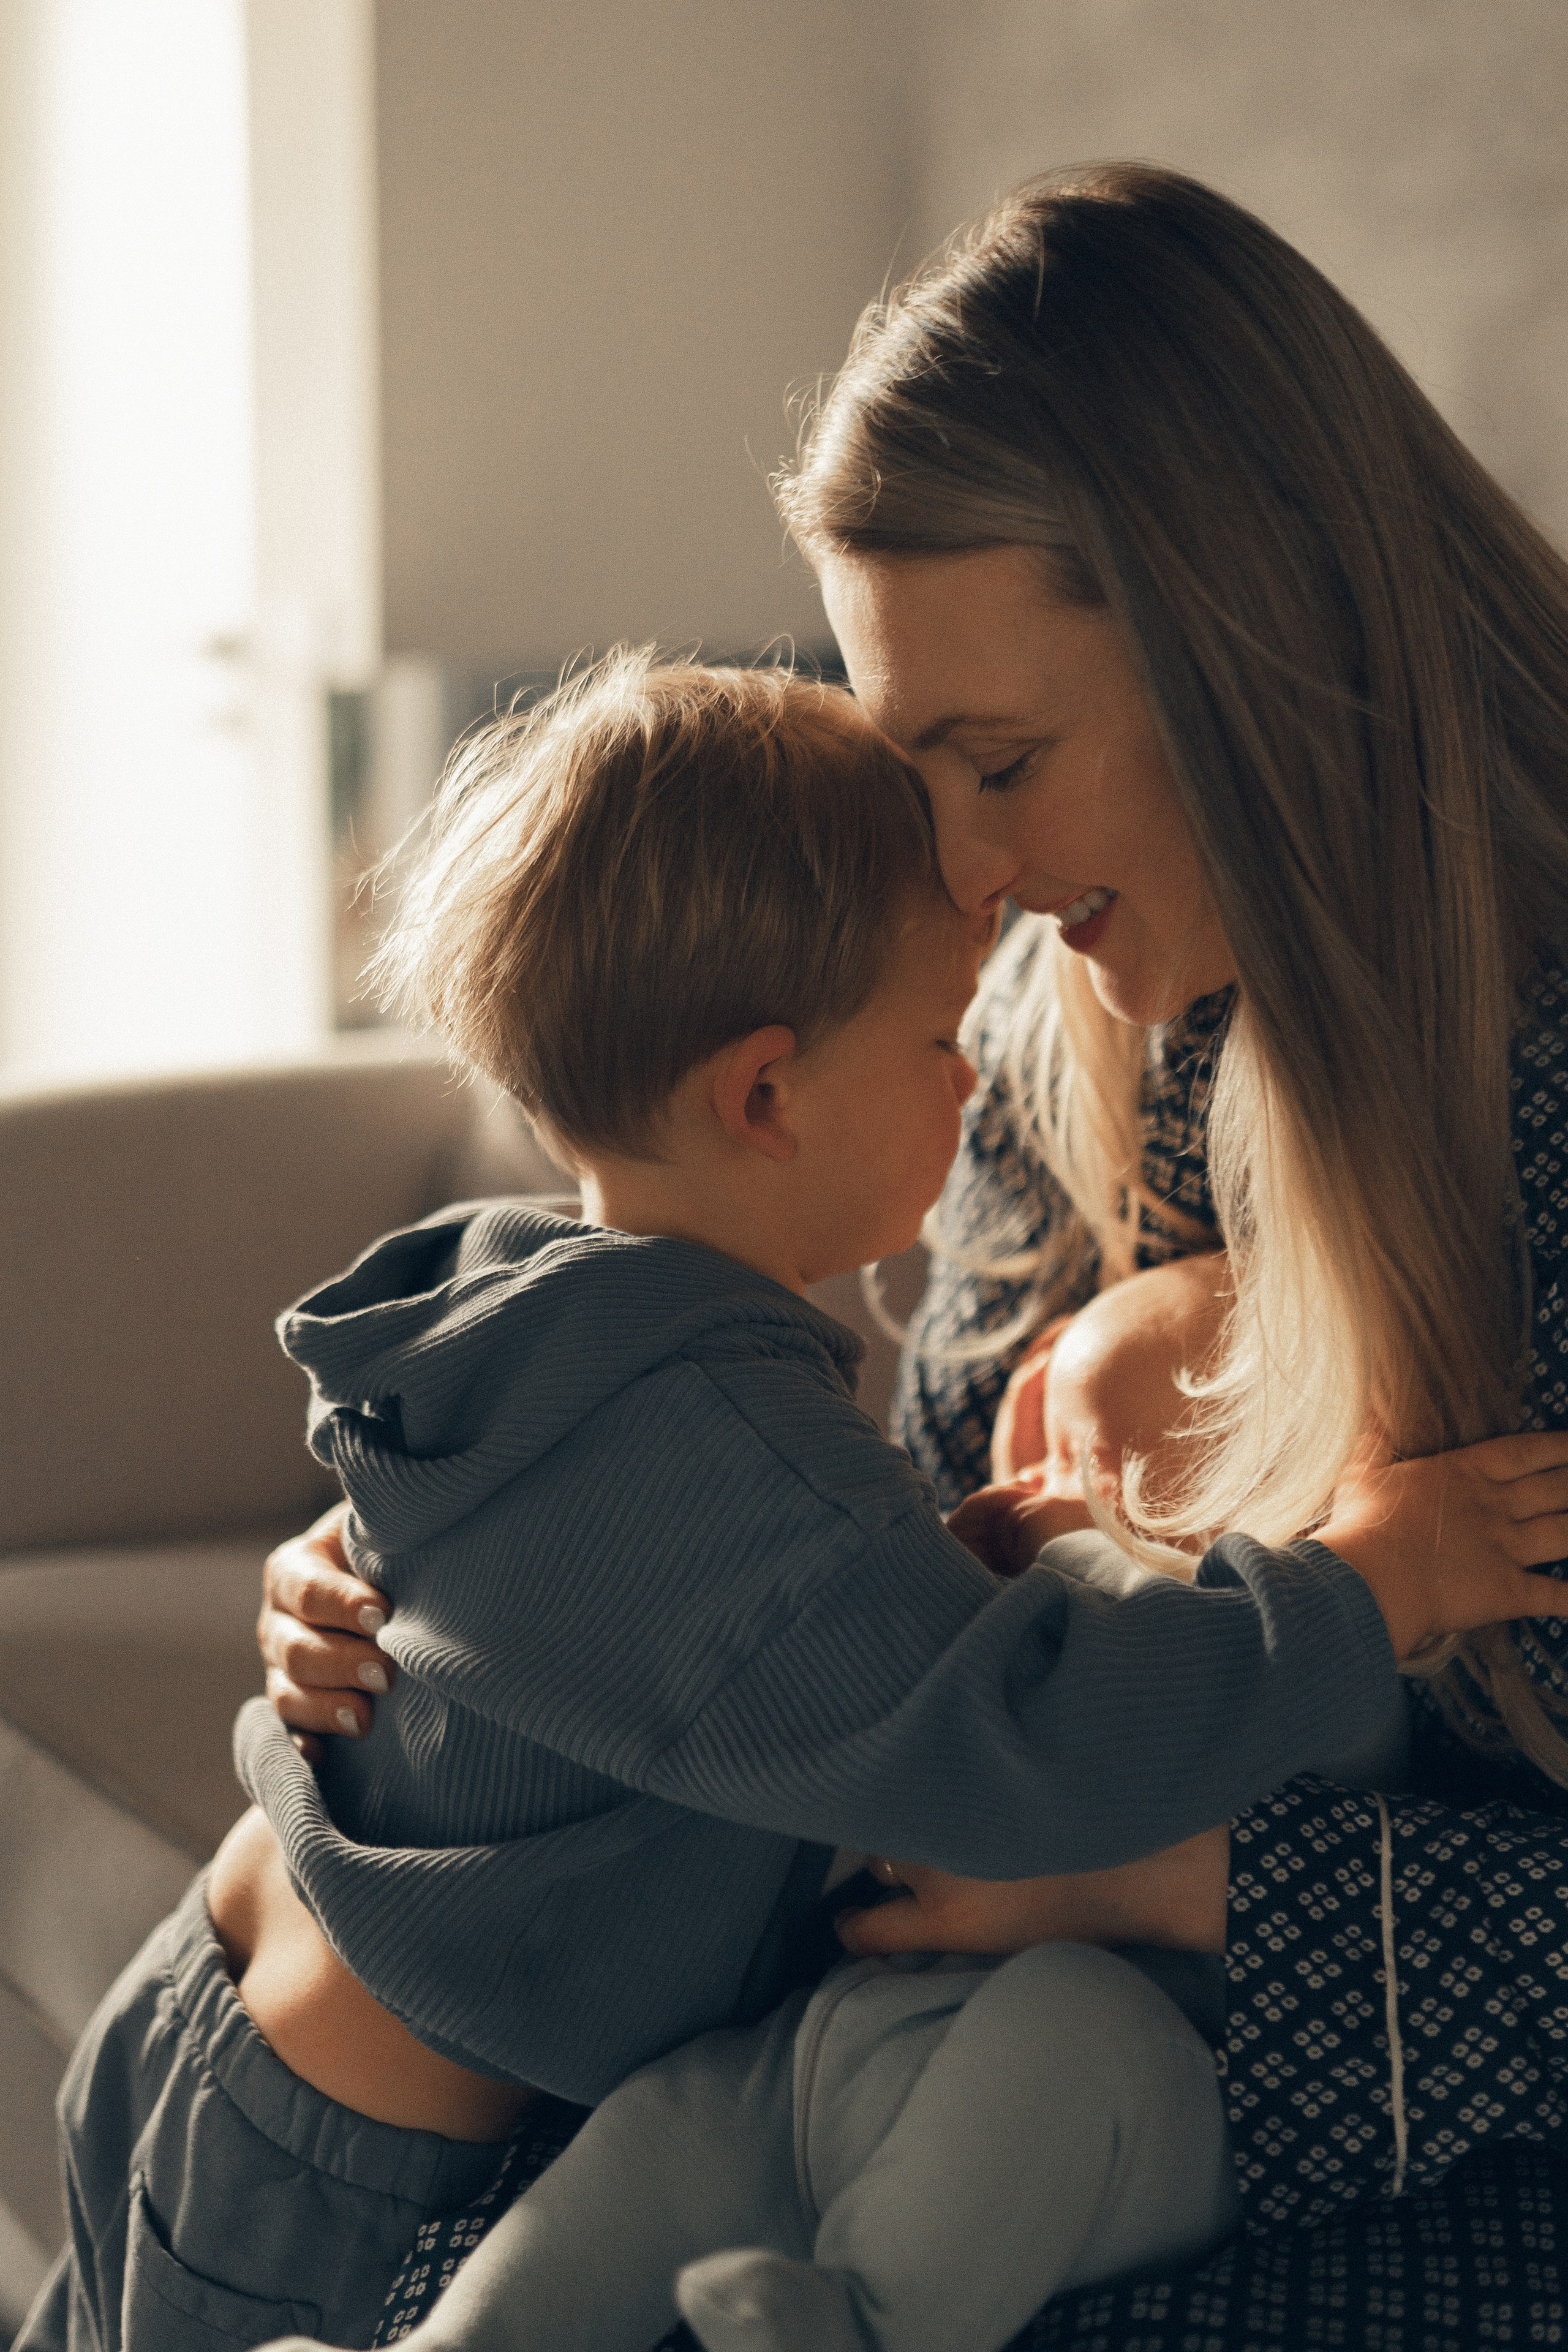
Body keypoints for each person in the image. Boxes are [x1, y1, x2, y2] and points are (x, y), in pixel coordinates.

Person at [258, 160, 1568, 2340]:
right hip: (940, 2038)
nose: (959, 873)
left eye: (1005, 761)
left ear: (1260, 640)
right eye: (915, 772)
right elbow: (866, 1607)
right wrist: (468, 1599)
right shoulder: (1065, 1034)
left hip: (1371, 2130)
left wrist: (1171, 1877)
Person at [26, 648, 1559, 2352]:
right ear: (764, 1094)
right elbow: (1024, 1745)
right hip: (328, 2161)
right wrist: (1375, 1582)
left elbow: (670, 1624)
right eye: (939, 1041)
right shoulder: (719, 1447)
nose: (974, 1090)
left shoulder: (543, 1300)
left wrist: (915, 1560)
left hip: (211, 1999)